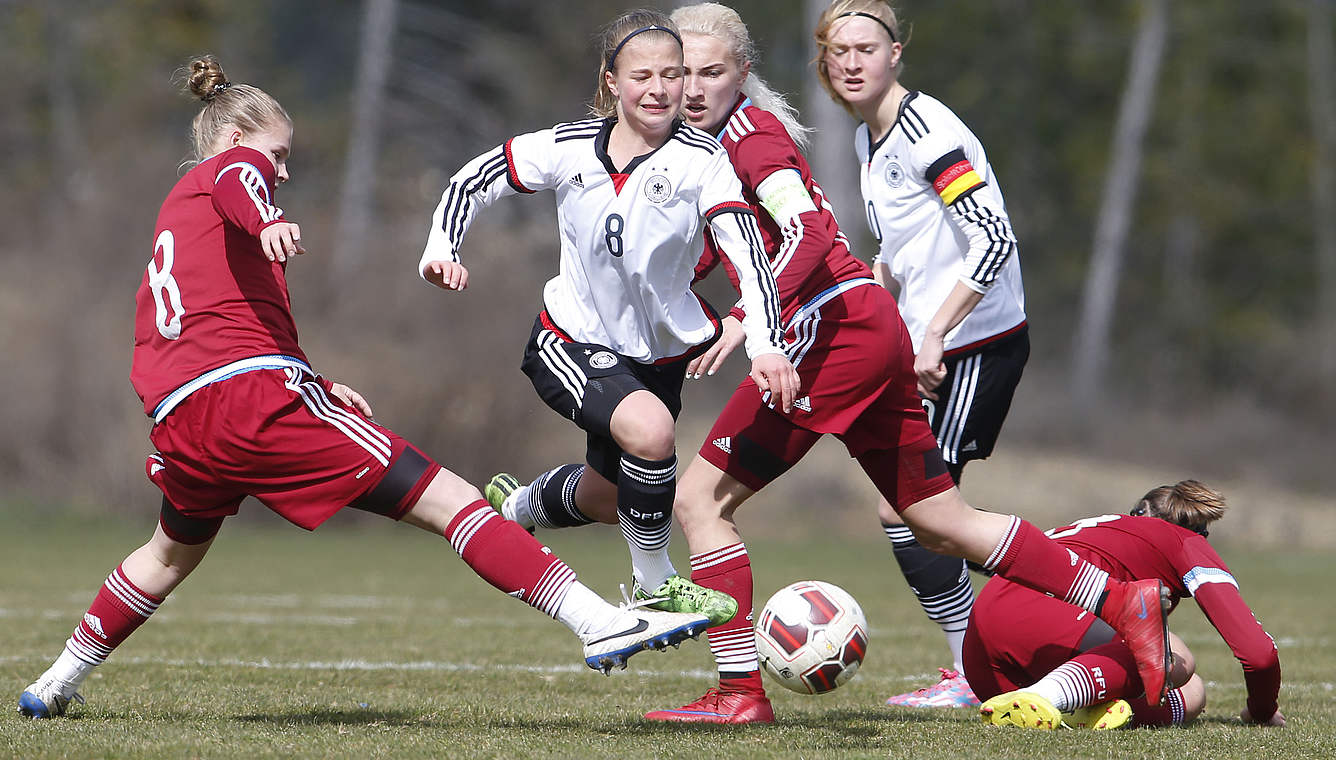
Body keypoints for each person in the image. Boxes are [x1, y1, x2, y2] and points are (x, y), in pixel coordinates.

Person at [499, 2, 1174, 723]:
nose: (689, 88)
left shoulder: (748, 138)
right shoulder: (695, 152)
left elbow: (811, 233)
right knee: (939, 520)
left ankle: (739, 694)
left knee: (701, 502)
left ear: (742, 75)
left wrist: (749, 318)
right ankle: (1115, 598)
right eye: (679, 72)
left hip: (835, 333)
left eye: (710, 72)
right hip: (869, 323)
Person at [15, 56, 712, 720]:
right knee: (453, 501)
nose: (281, 171)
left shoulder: (180, 214)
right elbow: (242, 178)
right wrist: (267, 220)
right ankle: (597, 622)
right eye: (280, 156)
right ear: (233, 140)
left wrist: (314, 381)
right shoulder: (231, 175)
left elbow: (224, 323)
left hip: (184, 418)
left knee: (170, 552)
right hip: (250, 400)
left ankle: (55, 683)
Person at [420, 9, 799, 632]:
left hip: (657, 358)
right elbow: (474, 179)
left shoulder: (705, 161)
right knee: (649, 434)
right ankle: (654, 586)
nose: (660, 89)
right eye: (643, 75)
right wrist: (442, 248)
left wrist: (764, 343)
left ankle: (512, 507)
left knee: (609, 494)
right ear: (611, 83)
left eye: (672, 76)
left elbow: (747, 254)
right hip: (568, 341)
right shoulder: (565, 148)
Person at [814, 0, 1029, 706]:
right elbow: (903, 249)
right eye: (838, 50)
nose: (851, 62)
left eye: (866, 49)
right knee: (910, 508)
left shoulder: (926, 131)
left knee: (919, 509)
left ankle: (1066, 611)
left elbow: (993, 240)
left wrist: (934, 332)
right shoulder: (865, 141)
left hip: (976, 343)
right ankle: (985, 663)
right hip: (929, 346)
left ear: (895, 54)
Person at [970, 481, 1284, 730]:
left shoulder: (1093, 526)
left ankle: (1065, 707)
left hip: (982, 657)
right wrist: (1262, 710)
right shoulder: (1185, 541)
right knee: (1179, 663)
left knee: (1181, 684)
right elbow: (1258, 654)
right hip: (1043, 622)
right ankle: (1044, 697)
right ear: (1199, 532)